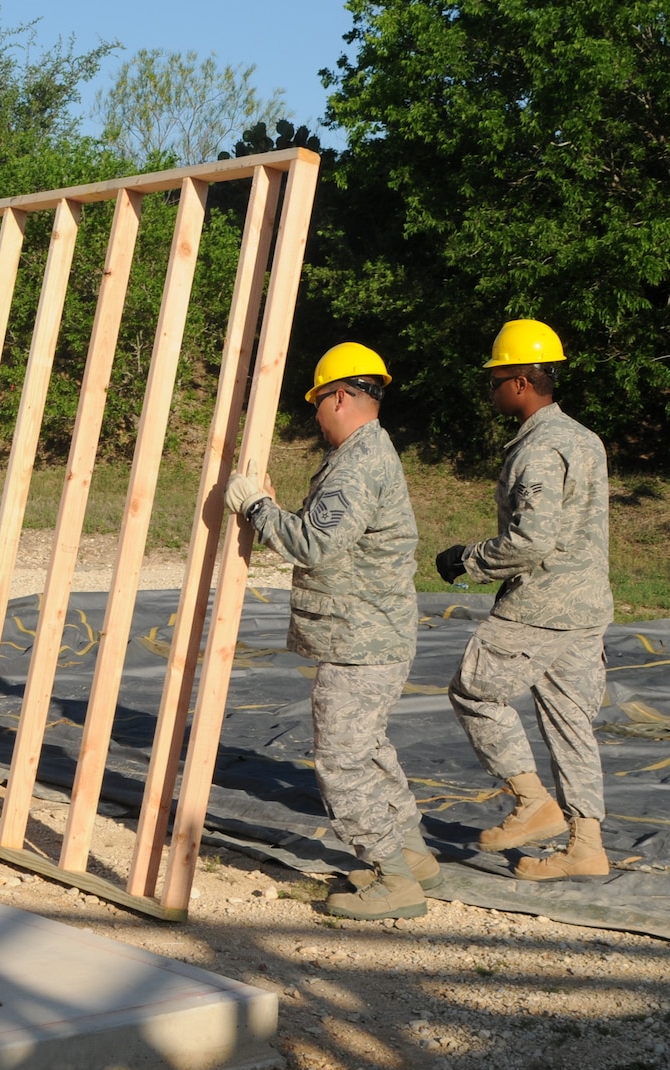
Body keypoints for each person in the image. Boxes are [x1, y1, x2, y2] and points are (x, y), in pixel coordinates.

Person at [226, 342, 434, 921]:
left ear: (340, 396)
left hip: (360, 640)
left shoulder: (359, 462)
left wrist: (256, 509)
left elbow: (315, 544)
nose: (315, 414)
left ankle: (394, 881)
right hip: (372, 634)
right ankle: (412, 856)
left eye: (318, 402)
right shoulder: (367, 453)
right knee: (368, 750)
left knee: (342, 759)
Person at [437, 319, 613, 882]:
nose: (490, 388)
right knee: (571, 724)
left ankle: (532, 800)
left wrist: (468, 561)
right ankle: (587, 844)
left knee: (473, 689)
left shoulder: (539, 449)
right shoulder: (585, 438)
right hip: (588, 607)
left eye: (495, 377)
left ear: (519, 380)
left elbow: (532, 540)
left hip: (541, 607)